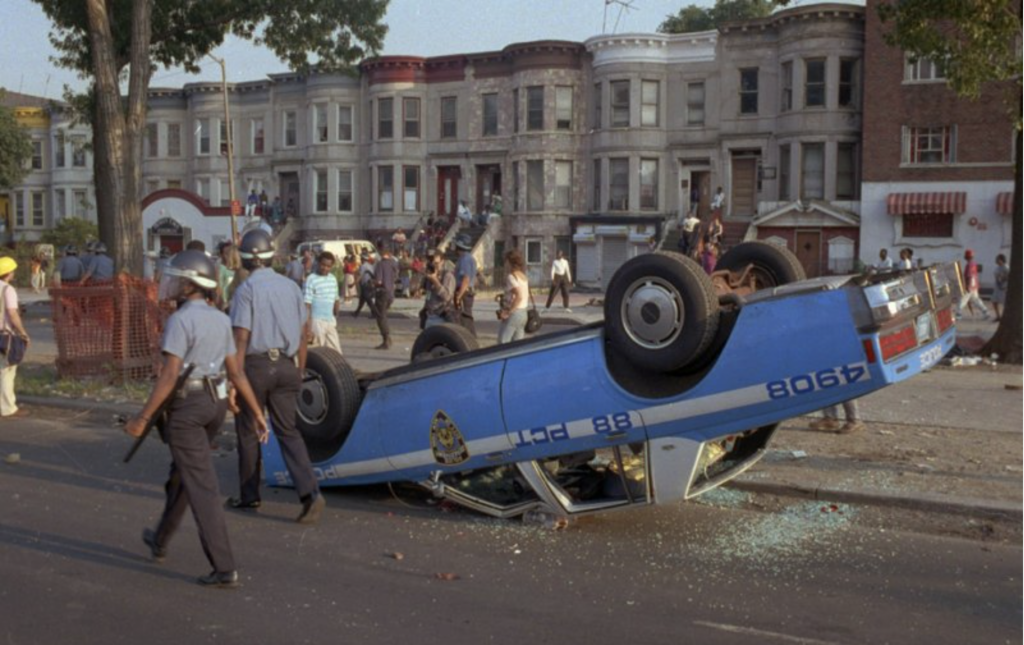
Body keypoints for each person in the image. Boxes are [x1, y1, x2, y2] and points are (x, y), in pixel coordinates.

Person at [125, 250, 268, 589]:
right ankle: (160, 538)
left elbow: (169, 375)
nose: (170, 285)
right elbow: (237, 374)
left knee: (201, 485)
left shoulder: (180, 321)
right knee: (183, 475)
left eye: (176, 279)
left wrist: (143, 418)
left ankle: (224, 567)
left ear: (191, 285)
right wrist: (257, 413)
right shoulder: (220, 318)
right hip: (214, 406)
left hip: (187, 408)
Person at [227, 229, 325, 524]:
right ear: (271, 256)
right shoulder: (292, 287)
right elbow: (303, 336)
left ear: (245, 258)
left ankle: (249, 495)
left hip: (255, 368)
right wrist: (299, 370)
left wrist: (234, 380)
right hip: (286, 365)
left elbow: (241, 339)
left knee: (247, 430)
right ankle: (310, 495)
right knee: (288, 432)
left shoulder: (246, 290)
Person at [0, 257, 30, 419]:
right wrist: (23, 332)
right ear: (7, 273)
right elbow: (12, 313)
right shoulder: (7, 290)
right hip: (4, 336)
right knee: (7, 370)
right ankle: (7, 408)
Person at [304, 251, 342, 353]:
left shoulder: (333, 279)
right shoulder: (311, 279)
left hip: (330, 320)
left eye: (328, 266)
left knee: (336, 351)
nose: (325, 268)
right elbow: (307, 304)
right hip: (316, 321)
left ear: (332, 266)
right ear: (318, 263)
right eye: (323, 265)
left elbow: (336, 299)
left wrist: (335, 316)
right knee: (318, 351)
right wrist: (308, 327)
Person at [497, 249, 530, 344]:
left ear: (511, 262)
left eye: (506, 261)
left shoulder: (511, 277)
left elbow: (519, 295)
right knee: (517, 345)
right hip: (523, 313)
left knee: (503, 342)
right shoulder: (523, 276)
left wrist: (508, 312)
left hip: (514, 313)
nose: (505, 264)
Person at [372, 246, 399, 350]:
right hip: (391, 293)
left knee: (381, 317)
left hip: (382, 293)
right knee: (384, 315)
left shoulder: (380, 264)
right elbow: (396, 277)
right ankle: (387, 338)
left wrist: (372, 282)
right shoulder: (394, 264)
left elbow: (379, 281)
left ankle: (386, 339)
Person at [421, 250, 456, 328]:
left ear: (442, 262)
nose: (433, 265)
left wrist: (435, 281)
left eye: (436, 263)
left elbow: (447, 297)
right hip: (430, 315)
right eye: (431, 262)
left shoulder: (447, 276)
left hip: (441, 316)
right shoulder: (429, 277)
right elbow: (428, 295)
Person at [453, 234, 477, 336]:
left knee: (465, 316)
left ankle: (470, 336)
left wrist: (459, 295)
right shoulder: (469, 258)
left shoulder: (465, 259)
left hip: (464, 292)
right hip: (467, 291)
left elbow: (466, 279)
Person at [958, 249, 991, 320]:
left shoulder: (969, 265)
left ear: (966, 257)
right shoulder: (974, 264)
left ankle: (958, 314)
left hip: (969, 286)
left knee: (962, 300)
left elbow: (969, 276)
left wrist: (967, 286)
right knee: (976, 300)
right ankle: (986, 312)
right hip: (974, 286)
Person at [353, 253, 376, 318]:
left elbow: (360, 276)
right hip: (370, 284)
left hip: (365, 285)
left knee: (369, 301)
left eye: (361, 258)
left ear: (362, 259)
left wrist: (353, 284)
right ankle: (356, 312)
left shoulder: (363, 266)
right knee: (362, 300)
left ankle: (375, 313)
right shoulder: (370, 266)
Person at [992, 254, 1008, 322]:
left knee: (1005, 303)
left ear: (1001, 260)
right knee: (994, 302)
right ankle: (998, 316)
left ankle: (1006, 317)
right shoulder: (997, 268)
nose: (996, 261)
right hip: (997, 287)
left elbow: (1007, 277)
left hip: (1004, 288)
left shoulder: (1006, 268)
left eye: (998, 259)